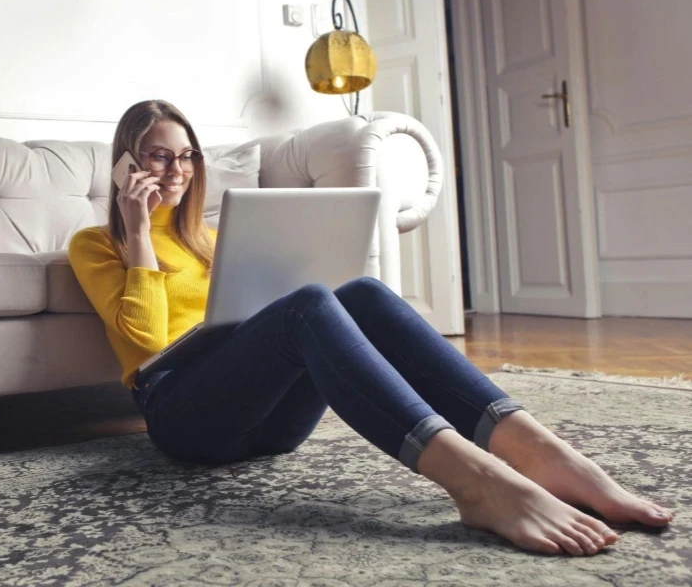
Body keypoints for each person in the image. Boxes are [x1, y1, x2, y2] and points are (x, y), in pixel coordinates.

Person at [68, 100, 674, 557]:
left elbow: (263, 324)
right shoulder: (96, 245)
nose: (176, 168)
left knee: (359, 292)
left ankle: (537, 451)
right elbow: (145, 341)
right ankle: (477, 481)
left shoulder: (216, 240)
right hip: (183, 416)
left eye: (186, 154)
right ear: (127, 163)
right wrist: (139, 232)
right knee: (307, 302)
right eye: (158, 155)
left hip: (270, 425)